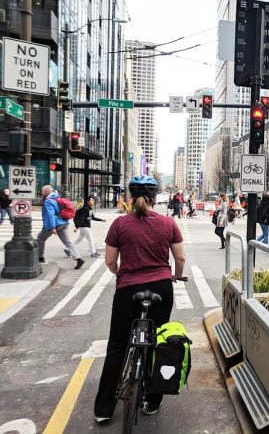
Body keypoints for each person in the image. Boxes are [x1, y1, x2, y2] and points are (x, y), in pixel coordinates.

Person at [94, 175, 186, 422]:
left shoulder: (119, 224)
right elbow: (180, 259)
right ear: (156, 197)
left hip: (128, 290)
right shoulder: (168, 223)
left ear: (131, 197)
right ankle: (152, 402)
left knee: (117, 346)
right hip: (161, 288)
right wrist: (175, 277)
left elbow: (111, 261)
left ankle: (103, 410)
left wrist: (120, 273)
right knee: (158, 344)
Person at [37, 185, 84, 269]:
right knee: (68, 242)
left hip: (55, 224)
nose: (42, 192)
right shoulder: (57, 198)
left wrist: (52, 227)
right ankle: (78, 258)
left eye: (43, 191)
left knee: (40, 238)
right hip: (64, 223)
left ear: (47, 191)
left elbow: (50, 215)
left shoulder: (48, 201)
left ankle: (40, 257)